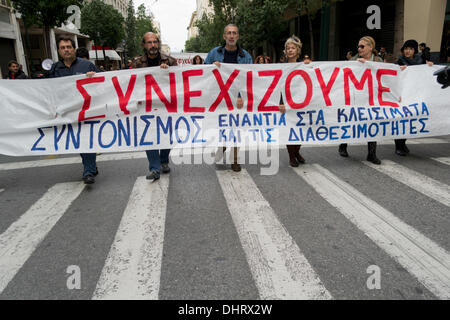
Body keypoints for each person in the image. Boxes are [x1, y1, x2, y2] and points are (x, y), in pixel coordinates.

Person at [49, 36, 99, 184]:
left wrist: (94, 77)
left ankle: (88, 170)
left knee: (85, 139)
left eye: (69, 47)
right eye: (63, 47)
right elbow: (50, 90)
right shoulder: (55, 69)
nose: (66, 50)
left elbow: (105, 81)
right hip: (68, 112)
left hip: (86, 110)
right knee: (78, 140)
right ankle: (91, 166)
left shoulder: (87, 65)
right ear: (58, 51)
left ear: (74, 49)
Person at [204, 24, 253, 172]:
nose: (231, 36)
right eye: (229, 33)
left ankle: (235, 160)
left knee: (238, 128)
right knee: (224, 128)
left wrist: (241, 96)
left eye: (234, 33)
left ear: (238, 36)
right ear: (224, 36)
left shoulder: (246, 56)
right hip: (220, 99)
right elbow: (203, 73)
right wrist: (211, 66)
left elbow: (248, 78)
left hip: (238, 100)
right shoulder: (214, 53)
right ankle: (222, 147)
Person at [132, 32, 177, 181]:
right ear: (144, 45)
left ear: (158, 43)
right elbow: (131, 83)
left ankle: (163, 160)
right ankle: (154, 168)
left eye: (155, 42)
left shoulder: (170, 61)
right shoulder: (137, 63)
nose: (152, 45)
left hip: (166, 105)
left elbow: (179, 83)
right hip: (147, 106)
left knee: (167, 135)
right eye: (149, 42)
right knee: (149, 135)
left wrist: (166, 73)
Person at [338, 36, 382, 165]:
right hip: (356, 97)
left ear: (370, 47)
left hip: (372, 97)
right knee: (351, 121)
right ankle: (343, 145)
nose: (359, 49)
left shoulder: (379, 60)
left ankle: (372, 153)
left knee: (373, 122)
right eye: (358, 46)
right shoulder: (353, 60)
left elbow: (386, 75)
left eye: (362, 46)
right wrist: (356, 64)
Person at [394, 40, 433, 156]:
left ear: (414, 50)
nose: (407, 51)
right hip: (404, 94)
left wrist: (429, 66)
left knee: (412, 120)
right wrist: (398, 70)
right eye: (406, 48)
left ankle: (403, 142)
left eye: (410, 49)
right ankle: (399, 145)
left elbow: (426, 75)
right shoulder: (399, 62)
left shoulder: (420, 62)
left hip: (416, 94)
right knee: (402, 120)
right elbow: (393, 76)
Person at [278, 36, 308, 167]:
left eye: (293, 48)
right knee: (290, 129)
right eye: (288, 48)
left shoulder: (305, 64)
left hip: (301, 101)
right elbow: (277, 86)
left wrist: (310, 66)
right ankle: (291, 156)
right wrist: (280, 102)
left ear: (298, 50)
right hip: (286, 101)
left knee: (301, 129)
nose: (290, 50)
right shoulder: (280, 66)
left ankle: (297, 152)